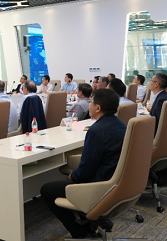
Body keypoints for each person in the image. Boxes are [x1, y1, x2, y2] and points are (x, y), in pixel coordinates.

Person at [40, 89, 126, 239]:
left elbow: (86, 169)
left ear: (98, 108)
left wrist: (73, 176)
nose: (89, 105)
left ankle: (79, 232)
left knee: (46, 190)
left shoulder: (96, 130)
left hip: (98, 184)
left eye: (91, 102)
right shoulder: (121, 125)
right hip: (113, 180)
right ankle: (88, 221)